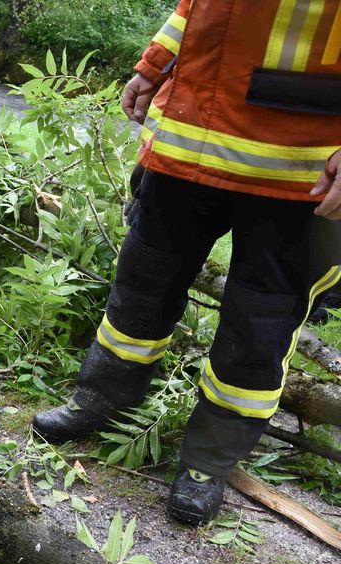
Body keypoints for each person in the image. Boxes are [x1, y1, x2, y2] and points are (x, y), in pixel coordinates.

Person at [32, 0, 341, 525]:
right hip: (188, 134)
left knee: (259, 321)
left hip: (295, 166)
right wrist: (157, 64)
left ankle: (207, 463)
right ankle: (102, 399)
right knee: (142, 283)